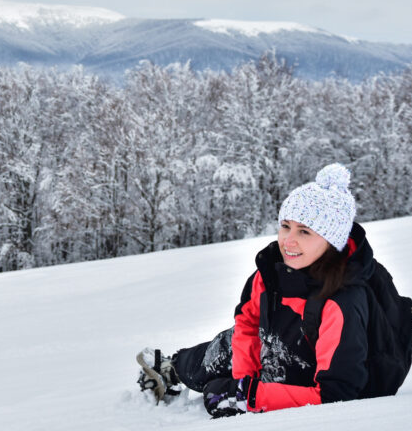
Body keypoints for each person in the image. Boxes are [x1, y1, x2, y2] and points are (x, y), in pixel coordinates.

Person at [137, 163, 375, 417]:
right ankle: (173, 368)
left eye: (304, 231)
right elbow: (247, 326)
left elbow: (336, 395)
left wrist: (247, 397)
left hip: (306, 378)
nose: (288, 240)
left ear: (331, 242)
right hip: (278, 351)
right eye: (285, 226)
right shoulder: (271, 273)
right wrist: (242, 383)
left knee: (221, 384)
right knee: (226, 346)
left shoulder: (342, 303)